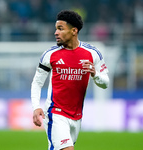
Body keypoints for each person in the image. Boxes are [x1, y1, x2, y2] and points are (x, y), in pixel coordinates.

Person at [31, 10, 109, 150]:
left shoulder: (92, 53)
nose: (56, 32)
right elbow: (37, 83)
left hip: (76, 116)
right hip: (55, 112)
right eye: (56, 29)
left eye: (60, 29)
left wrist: (95, 74)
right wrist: (36, 106)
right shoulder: (50, 55)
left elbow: (105, 84)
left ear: (74, 31)